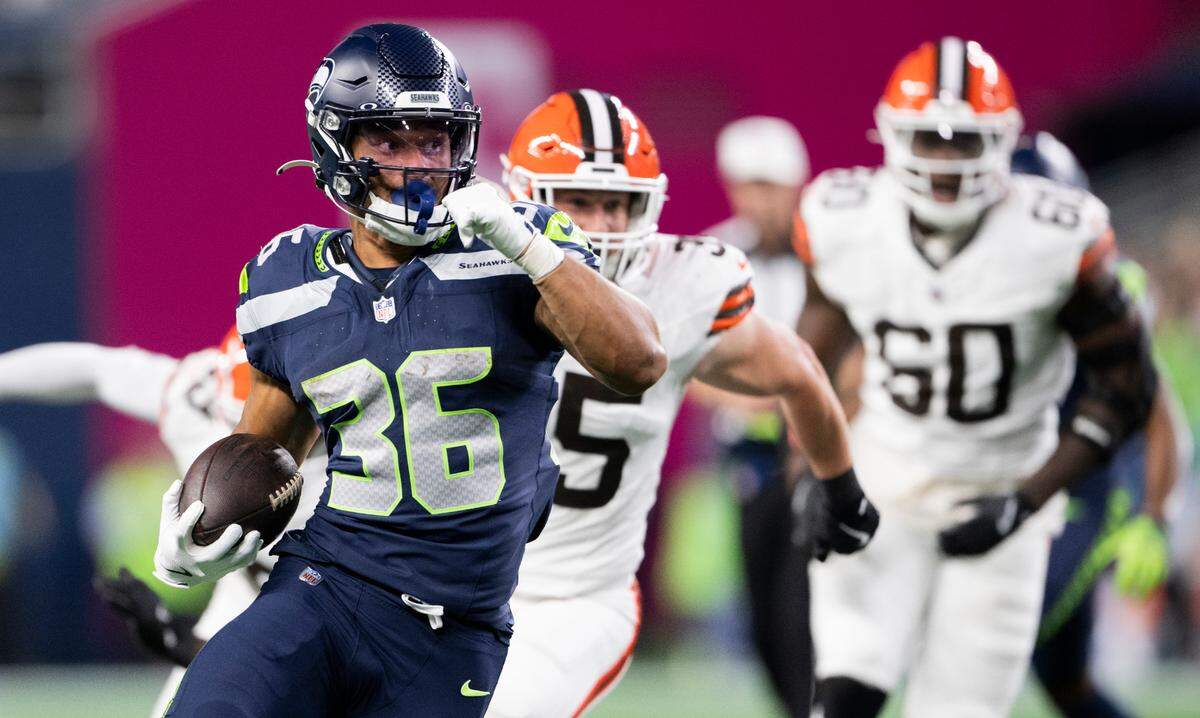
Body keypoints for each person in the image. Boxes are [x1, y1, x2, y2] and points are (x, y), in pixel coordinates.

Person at [153, 25, 666, 718]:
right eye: (389, 143)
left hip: (453, 630)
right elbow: (267, 456)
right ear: (339, 147)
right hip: (323, 589)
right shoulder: (286, 279)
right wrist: (204, 535)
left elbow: (637, 363)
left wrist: (525, 247)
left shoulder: (521, 248)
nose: (418, 164)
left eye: (435, 140)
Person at [795, 38, 1159, 717]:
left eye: (965, 140)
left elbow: (1129, 388)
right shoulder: (845, 218)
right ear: (891, 137)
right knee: (845, 689)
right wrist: (815, 473)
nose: (944, 158)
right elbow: (803, 366)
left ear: (1001, 142)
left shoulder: (1054, 235)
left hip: (1005, 482)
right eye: (927, 139)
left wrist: (1026, 500)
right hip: (886, 482)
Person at [485, 89, 878, 718]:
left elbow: (800, 371)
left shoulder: (681, 285)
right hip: (447, 584)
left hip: (571, 598)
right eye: (578, 201)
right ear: (522, 196)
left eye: (618, 204)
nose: (601, 225)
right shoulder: (464, 272)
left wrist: (840, 484)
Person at [0, 328, 327, 716]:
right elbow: (97, 370)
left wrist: (198, 646)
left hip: (342, 624)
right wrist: (198, 644)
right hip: (250, 601)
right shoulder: (198, 395)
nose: (266, 427)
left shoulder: (360, 459)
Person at [1011, 132, 1185, 718]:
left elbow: (1161, 419)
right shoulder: (985, 283)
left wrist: (1154, 521)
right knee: (1066, 684)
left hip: (1093, 490)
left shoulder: (1110, 289)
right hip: (1032, 486)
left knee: (999, 639)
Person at [698, 115, 816, 717]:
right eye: (750, 185)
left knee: (804, 613)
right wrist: (743, 395)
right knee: (763, 616)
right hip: (749, 456)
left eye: (771, 185)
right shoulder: (718, 254)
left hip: (817, 453)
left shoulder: (827, 253)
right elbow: (683, 362)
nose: (760, 200)